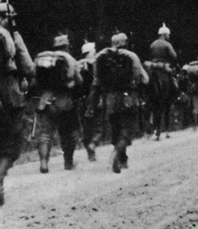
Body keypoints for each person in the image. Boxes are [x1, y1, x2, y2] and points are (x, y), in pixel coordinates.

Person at [0, 0, 35, 206]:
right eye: (9, 18)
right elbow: (29, 67)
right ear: (3, 18)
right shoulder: (12, 35)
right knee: (15, 138)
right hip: (8, 91)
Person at [88, 33, 148, 173]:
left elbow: (96, 81)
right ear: (125, 43)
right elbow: (145, 79)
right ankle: (116, 153)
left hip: (110, 99)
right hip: (128, 98)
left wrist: (92, 104)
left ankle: (123, 159)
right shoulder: (132, 56)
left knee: (116, 129)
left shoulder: (101, 56)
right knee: (127, 129)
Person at [34, 34, 82, 173]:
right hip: (64, 101)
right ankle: (68, 163)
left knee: (45, 134)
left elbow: (35, 80)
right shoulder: (69, 59)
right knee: (68, 133)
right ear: (67, 46)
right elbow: (79, 80)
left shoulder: (43, 58)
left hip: (46, 100)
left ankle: (43, 162)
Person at [77, 42, 101, 161]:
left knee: (86, 127)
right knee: (99, 125)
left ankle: (90, 153)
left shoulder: (78, 65)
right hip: (95, 99)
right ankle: (93, 143)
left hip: (81, 100)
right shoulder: (96, 64)